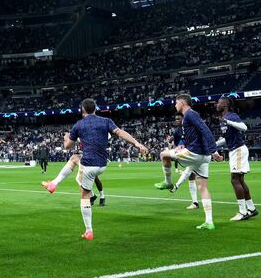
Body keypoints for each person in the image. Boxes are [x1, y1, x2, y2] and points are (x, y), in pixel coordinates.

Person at [54, 99, 147, 240]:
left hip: (89, 164)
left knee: (84, 195)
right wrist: (136, 143)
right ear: (95, 109)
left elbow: (67, 146)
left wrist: (66, 137)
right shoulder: (106, 121)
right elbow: (120, 133)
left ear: (82, 110)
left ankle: (89, 230)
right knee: (76, 164)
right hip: (102, 165)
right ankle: (55, 184)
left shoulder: (78, 124)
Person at [154, 94, 222, 230]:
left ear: (182, 103)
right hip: (203, 156)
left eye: (176, 103)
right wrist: (182, 143)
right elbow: (195, 134)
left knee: (163, 154)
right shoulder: (189, 117)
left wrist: (214, 150)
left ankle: (168, 182)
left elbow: (205, 130)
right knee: (202, 187)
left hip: (195, 153)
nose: (175, 105)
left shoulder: (190, 114)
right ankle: (209, 221)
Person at [214, 97, 258, 221]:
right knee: (240, 181)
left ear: (226, 105)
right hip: (235, 150)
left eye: (220, 102)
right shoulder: (222, 119)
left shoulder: (231, 116)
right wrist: (214, 144)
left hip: (238, 150)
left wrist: (227, 122)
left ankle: (243, 212)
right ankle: (251, 209)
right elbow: (226, 139)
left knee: (234, 180)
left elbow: (244, 128)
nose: (217, 104)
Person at [42, 150, 107, 206]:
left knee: (84, 178)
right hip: (89, 157)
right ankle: (54, 183)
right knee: (74, 158)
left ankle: (98, 196)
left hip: (96, 158)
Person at [172, 113, 199, 210]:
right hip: (188, 153)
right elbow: (176, 144)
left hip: (195, 152)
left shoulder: (189, 127)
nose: (177, 120)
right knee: (191, 176)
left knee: (190, 172)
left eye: (179, 119)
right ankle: (195, 202)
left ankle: (176, 186)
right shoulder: (177, 131)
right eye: (176, 119)